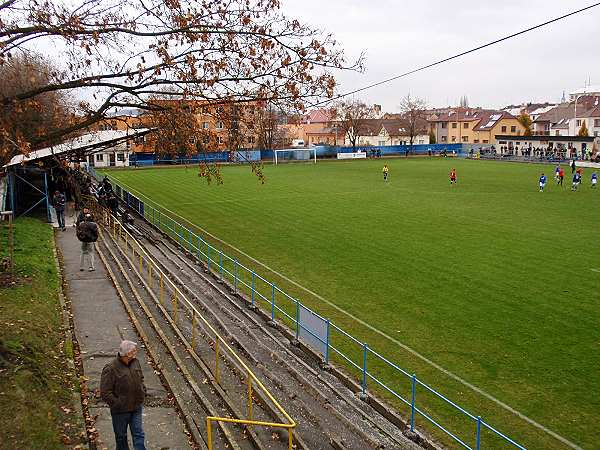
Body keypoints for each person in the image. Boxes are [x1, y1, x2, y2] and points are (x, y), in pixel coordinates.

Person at [101, 340, 147, 450]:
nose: (136, 353)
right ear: (127, 354)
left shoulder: (135, 362)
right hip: (121, 410)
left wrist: (143, 391)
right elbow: (105, 392)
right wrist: (118, 403)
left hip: (136, 406)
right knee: (121, 437)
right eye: (134, 351)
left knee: (139, 434)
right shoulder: (111, 368)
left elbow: (141, 378)